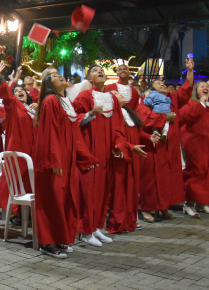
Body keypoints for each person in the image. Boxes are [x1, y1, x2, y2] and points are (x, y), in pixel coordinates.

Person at [32, 71, 99, 259]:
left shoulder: (63, 101)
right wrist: (54, 159)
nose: (59, 75)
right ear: (48, 83)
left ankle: (59, 237)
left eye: (59, 74)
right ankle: (47, 243)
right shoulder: (50, 100)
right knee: (52, 201)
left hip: (65, 159)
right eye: (53, 75)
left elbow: (73, 133)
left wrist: (83, 157)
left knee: (63, 200)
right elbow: (49, 132)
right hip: (54, 160)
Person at [72, 65, 130, 247]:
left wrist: (118, 144)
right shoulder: (84, 96)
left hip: (106, 152)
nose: (100, 72)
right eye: (95, 70)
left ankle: (96, 226)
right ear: (89, 79)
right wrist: (90, 114)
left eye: (102, 71)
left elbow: (118, 125)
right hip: (90, 149)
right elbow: (73, 119)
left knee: (103, 190)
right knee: (89, 191)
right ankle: (85, 231)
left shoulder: (112, 98)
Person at [137, 64, 193, 222]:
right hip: (153, 145)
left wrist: (189, 71)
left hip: (170, 146)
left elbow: (186, 90)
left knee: (167, 179)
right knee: (150, 180)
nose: (162, 84)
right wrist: (164, 118)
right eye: (157, 83)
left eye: (163, 83)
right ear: (150, 89)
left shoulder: (172, 98)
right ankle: (147, 209)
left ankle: (163, 208)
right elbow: (144, 119)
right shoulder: (147, 100)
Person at [0, 64, 37, 226]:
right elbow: (7, 95)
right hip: (19, 152)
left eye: (22, 91)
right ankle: (18, 214)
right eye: (16, 91)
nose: (19, 92)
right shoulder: (14, 105)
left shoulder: (31, 109)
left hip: (34, 151)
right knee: (20, 182)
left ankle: (30, 214)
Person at [107, 90, 156, 233]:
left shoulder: (127, 112)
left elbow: (137, 132)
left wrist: (149, 138)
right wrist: (130, 147)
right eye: (115, 93)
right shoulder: (111, 114)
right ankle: (118, 222)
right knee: (120, 191)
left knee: (132, 190)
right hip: (121, 157)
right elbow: (115, 136)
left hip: (134, 156)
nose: (119, 94)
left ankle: (130, 221)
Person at [179, 80, 209, 218]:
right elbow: (185, 117)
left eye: (207, 86)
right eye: (202, 86)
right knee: (196, 171)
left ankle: (201, 201)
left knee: (206, 172)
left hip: (206, 143)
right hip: (194, 143)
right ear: (195, 90)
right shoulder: (189, 104)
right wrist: (201, 104)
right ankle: (189, 203)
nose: (206, 88)